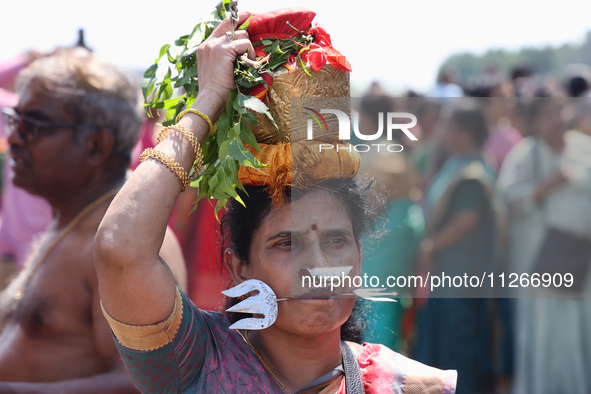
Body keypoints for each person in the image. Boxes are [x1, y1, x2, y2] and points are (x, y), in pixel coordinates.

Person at [94, 8, 457, 394]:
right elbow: (120, 249)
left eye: (336, 241)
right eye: (287, 243)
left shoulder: (412, 385)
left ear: (360, 256)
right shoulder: (199, 362)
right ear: (238, 267)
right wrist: (208, 102)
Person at [0, 49, 187, 392]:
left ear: (96, 146)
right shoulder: (76, 220)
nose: (12, 139)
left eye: (33, 125)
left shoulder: (127, 236)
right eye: (14, 120)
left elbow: (147, 382)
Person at [497, 98, 591, 394]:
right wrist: (546, 185)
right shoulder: (524, 155)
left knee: (579, 331)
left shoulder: (584, 147)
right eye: (547, 114)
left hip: (581, 263)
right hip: (540, 264)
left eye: (559, 110)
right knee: (543, 333)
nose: (556, 119)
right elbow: (506, 199)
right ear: (534, 122)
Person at [414, 101, 496, 394]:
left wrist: (431, 244)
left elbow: (466, 219)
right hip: (446, 271)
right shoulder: (456, 161)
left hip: (460, 272)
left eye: (449, 124)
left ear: (466, 132)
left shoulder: (471, 172)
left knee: (459, 348)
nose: (443, 130)